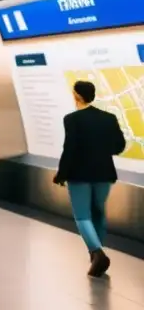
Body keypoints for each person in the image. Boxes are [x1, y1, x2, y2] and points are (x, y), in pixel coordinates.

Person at [55, 80, 127, 277]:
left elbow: (69, 149)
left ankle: (97, 253)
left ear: (77, 95)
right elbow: (119, 146)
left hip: (79, 173)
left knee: (82, 215)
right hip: (104, 172)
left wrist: (62, 174)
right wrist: (101, 151)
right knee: (98, 212)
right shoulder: (109, 118)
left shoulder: (71, 119)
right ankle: (96, 255)